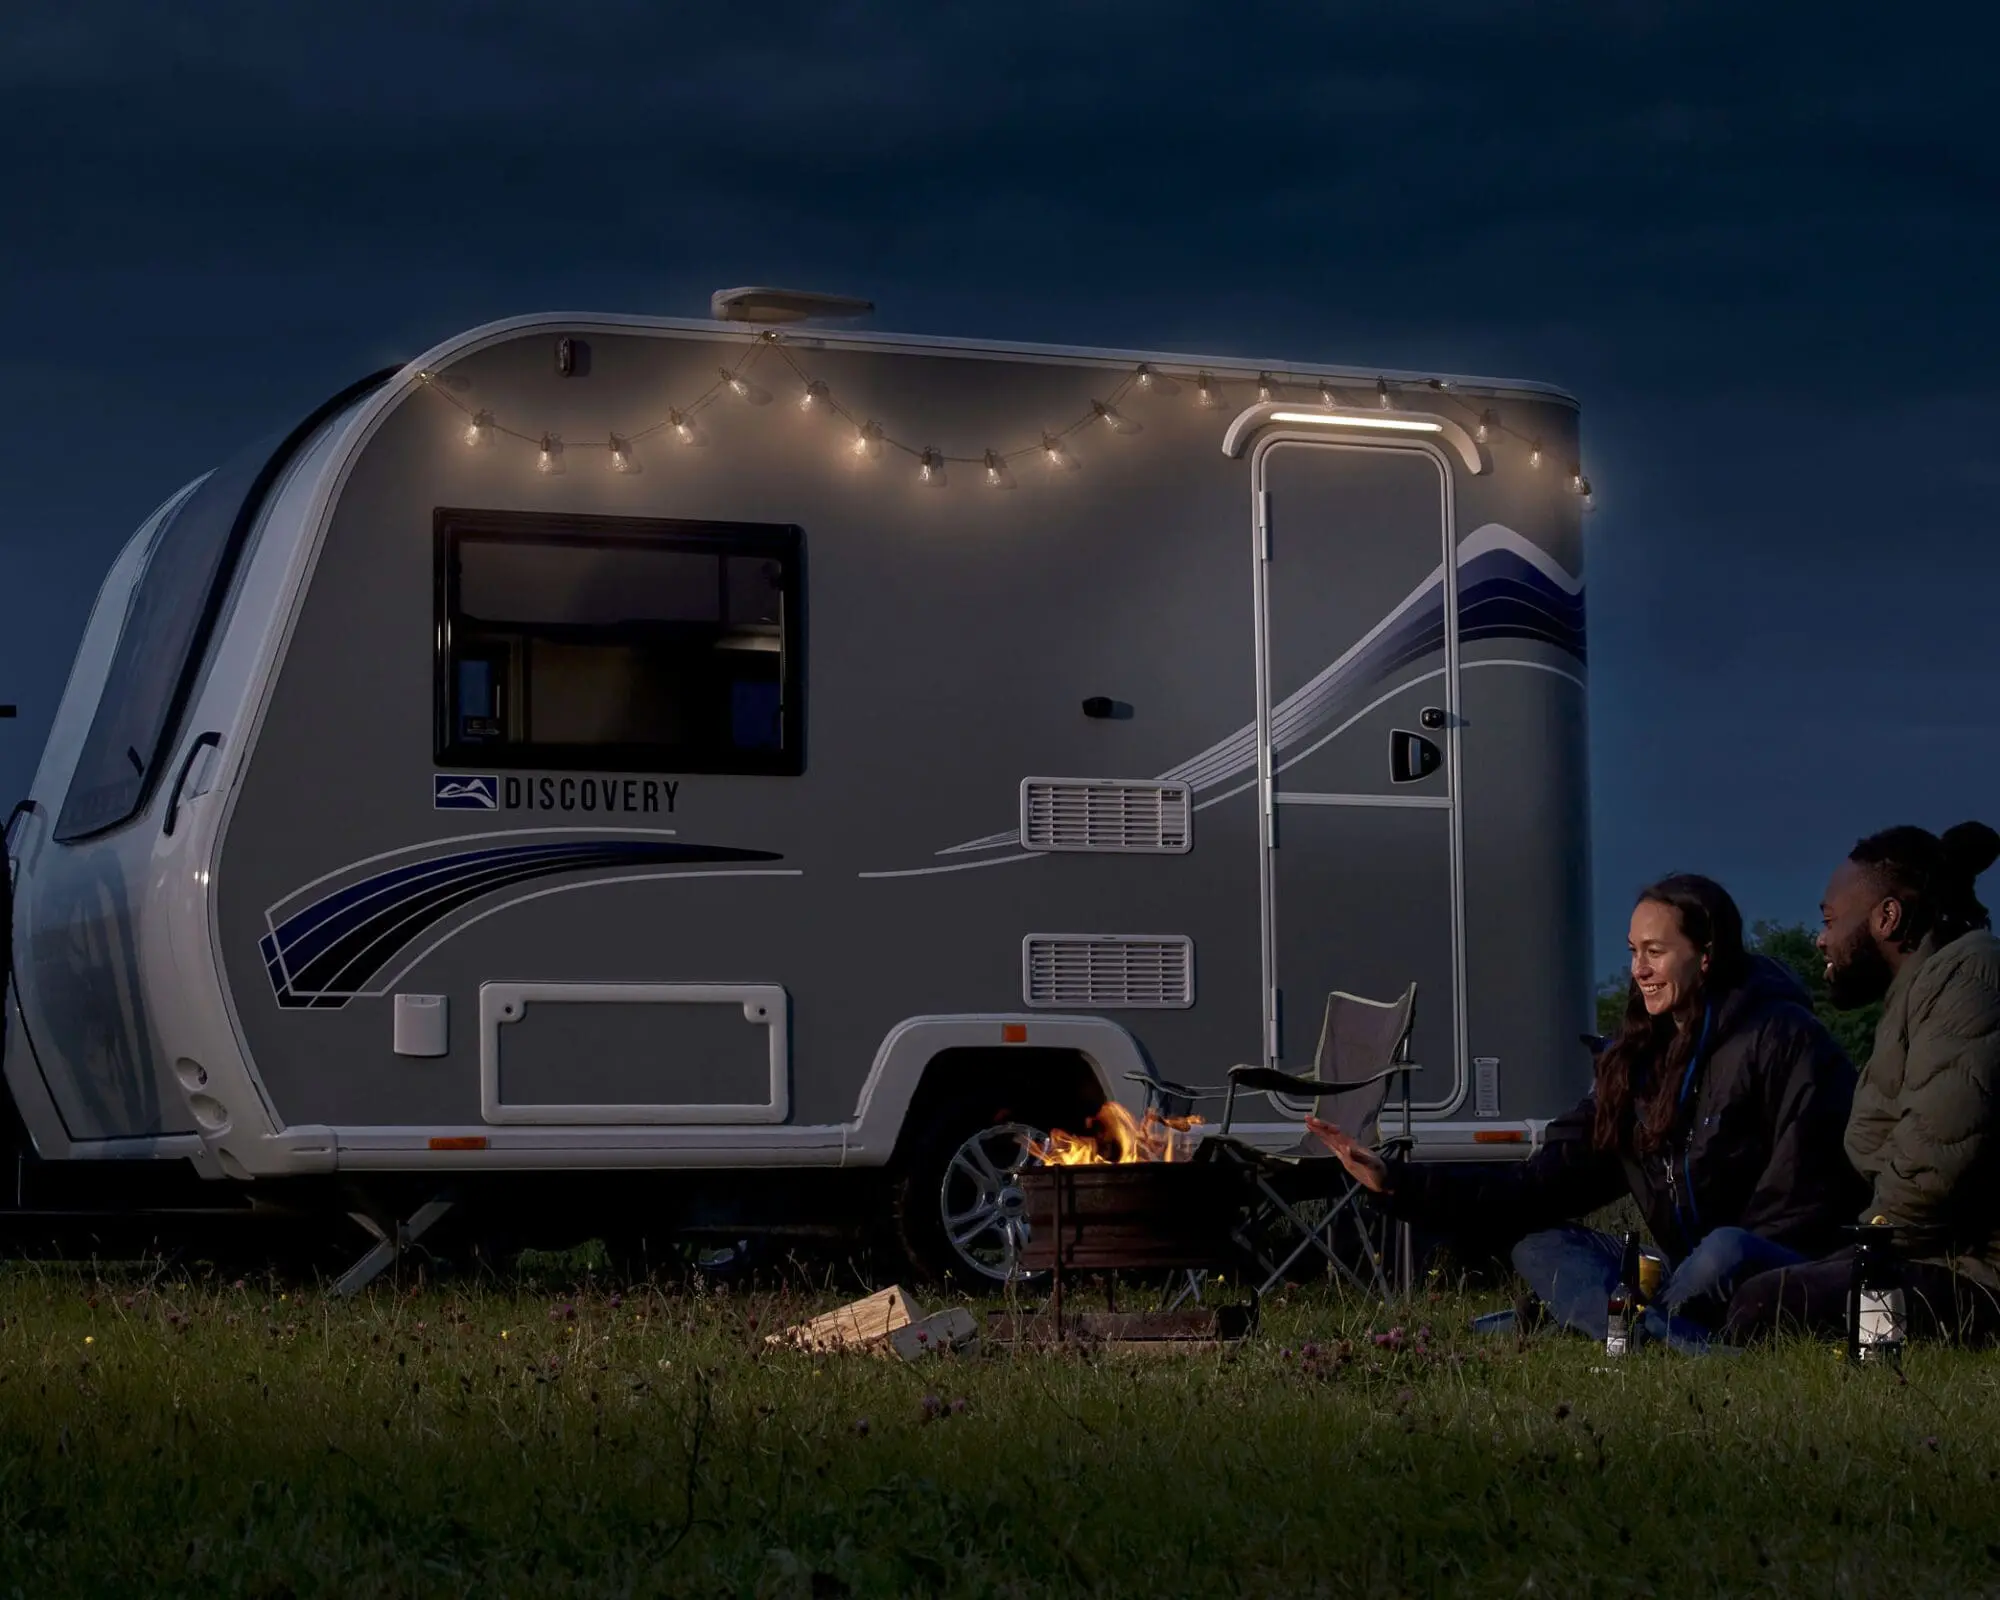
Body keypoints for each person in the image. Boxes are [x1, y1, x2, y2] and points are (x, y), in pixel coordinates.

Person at [1307, 874, 1865, 1350]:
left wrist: (1723, 1278)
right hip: (1683, 1270)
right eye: (1632, 951)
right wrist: (1396, 1181)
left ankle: (1617, 1327)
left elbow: (1805, 1198)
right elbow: (1537, 1184)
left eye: (1655, 951)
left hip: (1769, 1268)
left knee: (1724, 1249)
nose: (1639, 970)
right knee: (1539, 1240)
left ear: (1707, 954)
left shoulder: (1784, 1038)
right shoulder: (1638, 1062)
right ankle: (1653, 1334)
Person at [1722, 822, 2000, 1345]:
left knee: (1766, 1303)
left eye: (1829, 921)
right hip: (1927, 1254)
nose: (1820, 938)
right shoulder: (1916, 996)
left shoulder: (1969, 976)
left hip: (1977, 1279)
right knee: (1735, 1271)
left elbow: (1931, 1169)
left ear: (1887, 917)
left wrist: (1859, 1255)